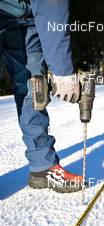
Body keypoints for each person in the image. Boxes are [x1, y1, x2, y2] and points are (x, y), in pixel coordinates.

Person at [0, 0, 84, 193]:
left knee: (34, 87)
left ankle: (42, 167)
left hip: (24, 21)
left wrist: (62, 71)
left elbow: (51, 6)